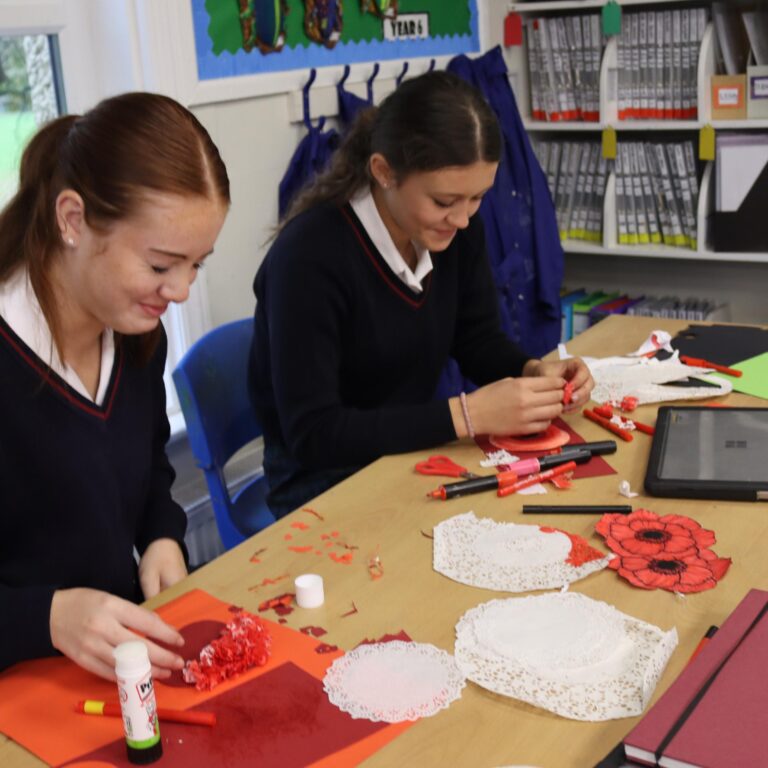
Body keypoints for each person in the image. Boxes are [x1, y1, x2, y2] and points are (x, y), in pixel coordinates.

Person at [249, 71, 594, 519]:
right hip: (321, 481)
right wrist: (467, 416)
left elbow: (476, 340)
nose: (463, 219)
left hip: (410, 451)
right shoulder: (308, 257)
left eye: (478, 198)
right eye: (444, 201)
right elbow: (314, 434)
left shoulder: (452, 231)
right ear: (383, 172)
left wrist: (532, 370)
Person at [0, 92, 229, 680]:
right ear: (73, 220)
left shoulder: (134, 331)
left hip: (109, 672)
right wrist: (48, 616)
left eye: (197, 264)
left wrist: (160, 536)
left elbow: (146, 465)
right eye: (160, 265)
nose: (180, 291)